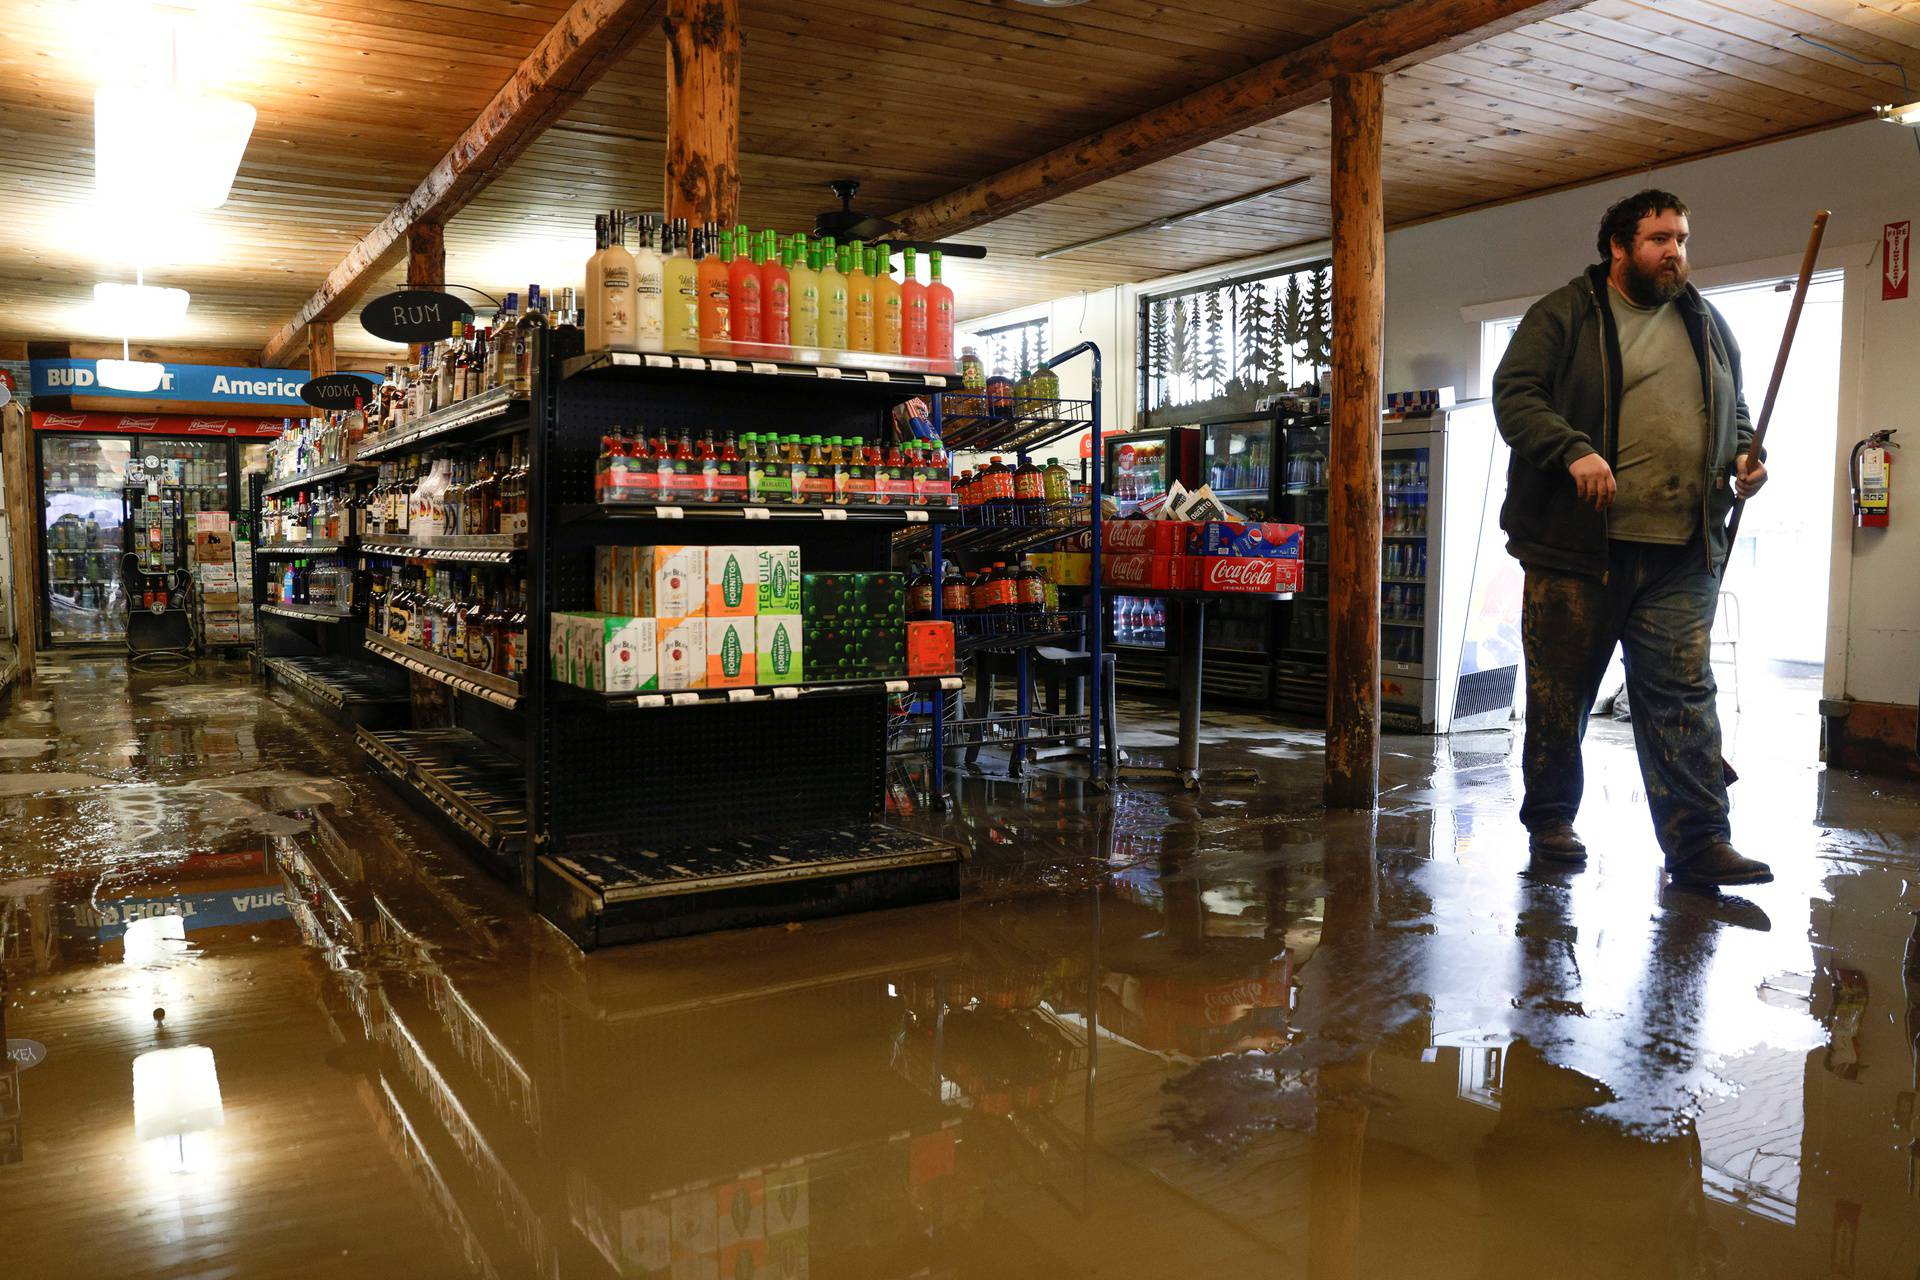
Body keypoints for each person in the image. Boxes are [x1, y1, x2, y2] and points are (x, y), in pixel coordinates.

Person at [1492, 189, 1771, 888]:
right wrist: (1571, 449)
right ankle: (1552, 821)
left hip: (1683, 550)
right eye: (1658, 239)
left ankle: (1700, 842)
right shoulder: (1564, 315)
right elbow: (1516, 394)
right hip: (1578, 550)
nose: (1674, 250)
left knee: (1682, 698)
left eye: (1681, 237)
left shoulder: (1705, 321)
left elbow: (1733, 405)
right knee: (1561, 697)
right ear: (1619, 247)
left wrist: (1743, 456)